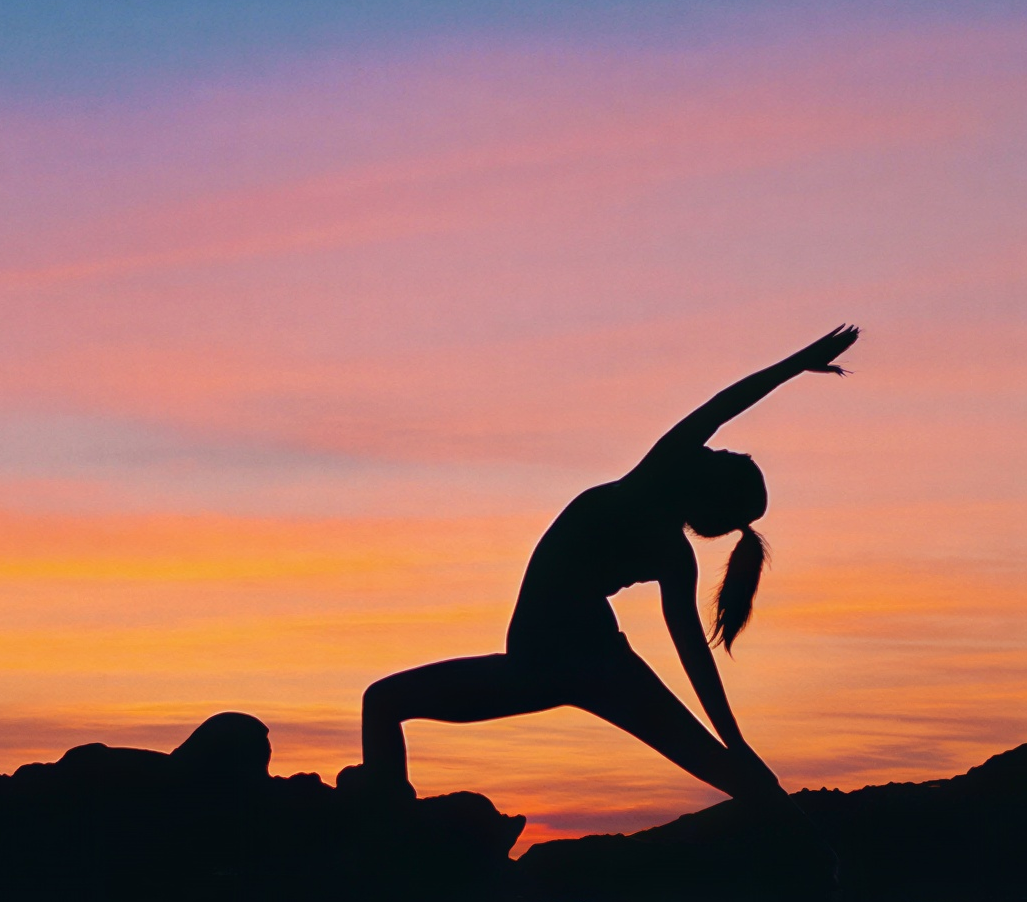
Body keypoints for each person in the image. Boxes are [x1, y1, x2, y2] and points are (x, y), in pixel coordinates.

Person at [356, 325, 859, 802]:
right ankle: (823, 867)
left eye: (721, 454)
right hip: (579, 664)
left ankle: (387, 829)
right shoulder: (672, 551)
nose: (712, 444)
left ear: (707, 487)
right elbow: (694, 660)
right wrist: (736, 745)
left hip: (558, 661)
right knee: (737, 776)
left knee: (382, 702)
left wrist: (797, 365)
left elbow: (724, 403)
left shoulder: (653, 482)